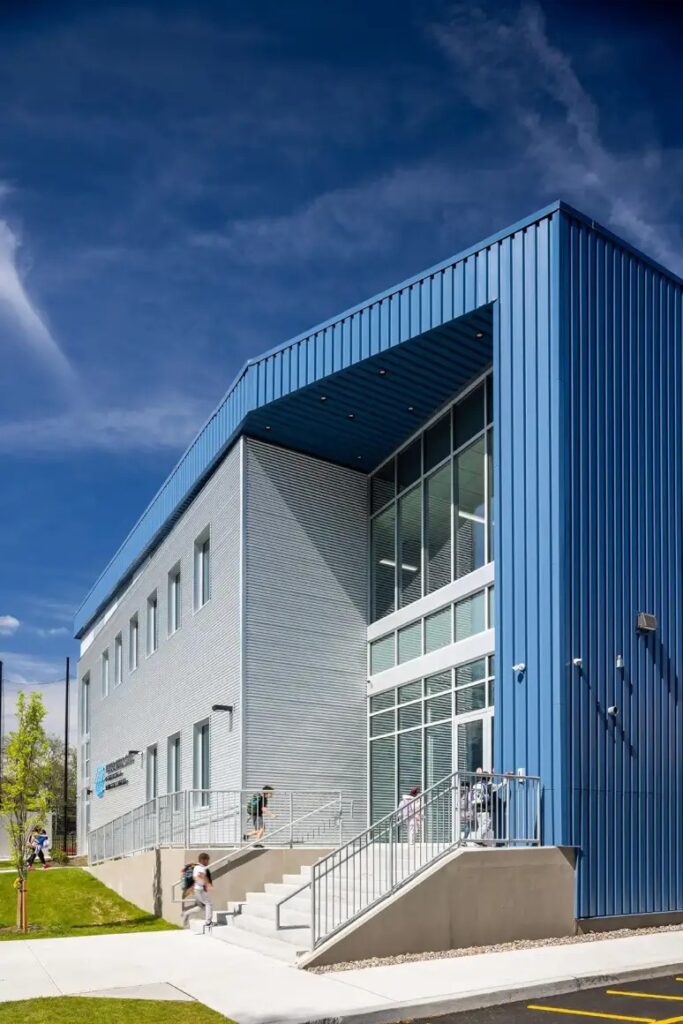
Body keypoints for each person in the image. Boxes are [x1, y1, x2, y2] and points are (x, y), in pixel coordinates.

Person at [180, 852, 213, 931]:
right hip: (199, 890)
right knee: (208, 904)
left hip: (197, 890)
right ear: (203, 860)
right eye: (207, 860)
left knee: (201, 907)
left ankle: (185, 913)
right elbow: (197, 877)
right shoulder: (200, 868)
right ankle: (208, 922)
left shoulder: (196, 866)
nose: (208, 862)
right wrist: (206, 883)